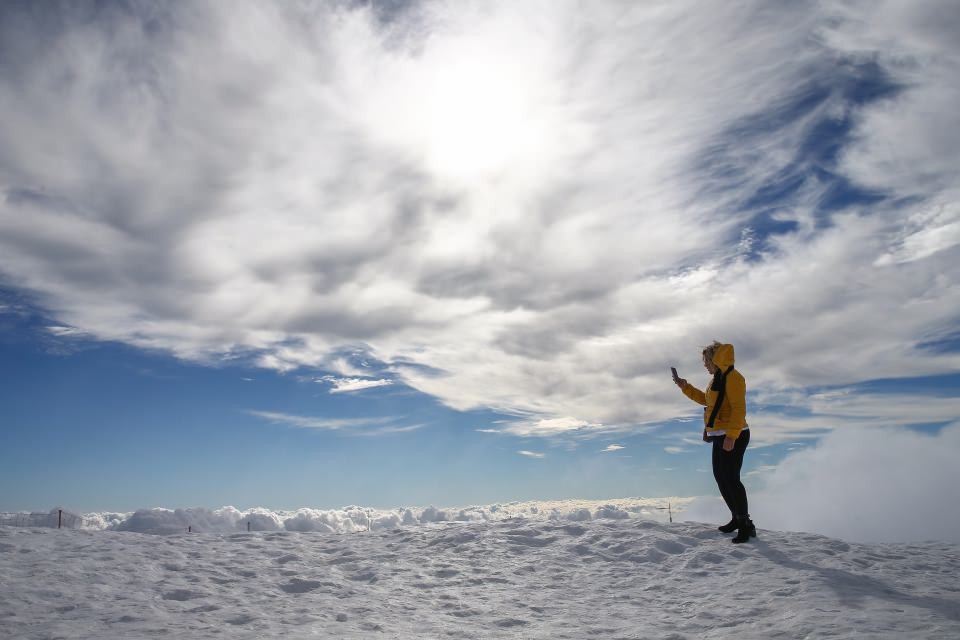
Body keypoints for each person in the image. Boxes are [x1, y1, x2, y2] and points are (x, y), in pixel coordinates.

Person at [673, 342, 756, 543]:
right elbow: (709, 403)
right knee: (721, 478)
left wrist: (731, 436)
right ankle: (736, 518)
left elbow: (738, 409)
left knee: (732, 479)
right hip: (719, 435)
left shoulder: (734, 378)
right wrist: (686, 387)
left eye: (706, 361)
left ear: (716, 360)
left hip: (733, 435)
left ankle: (746, 524)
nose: (705, 365)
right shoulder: (716, 380)